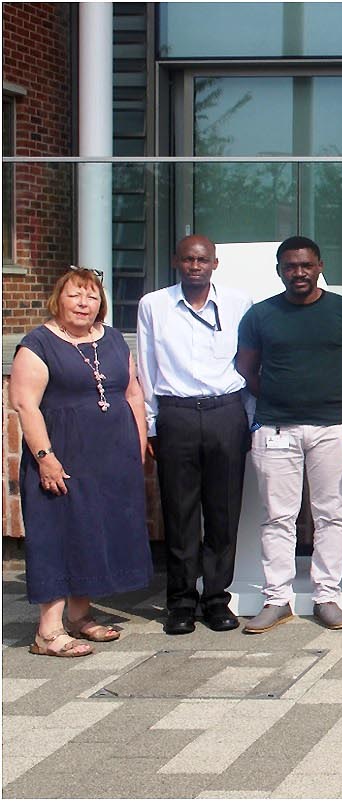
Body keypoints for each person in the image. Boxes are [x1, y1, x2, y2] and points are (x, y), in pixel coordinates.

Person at [10, 267, 153, 657]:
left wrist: (137, 447)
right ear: (59, 299)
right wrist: (45, 458)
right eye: (75, 295)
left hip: (109, 458)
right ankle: (48, 631)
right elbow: (25, 404)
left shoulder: (111, 340)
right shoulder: (37, 344)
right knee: (58, 533)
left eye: (91, 296)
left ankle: (79, 616)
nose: (83, 303)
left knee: (92, 530)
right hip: (63, 457)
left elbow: (133, 394)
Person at [236, 236, 342, 633]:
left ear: (319, 266)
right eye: (291, 266)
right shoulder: (260, 315)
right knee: (278, 518)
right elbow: (246, 368)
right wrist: (278, 395)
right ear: (279, 270)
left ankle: (326, 595)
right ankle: (276, 599)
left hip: (332, 427)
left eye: (306, 265)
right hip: (276, 427)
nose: (299, 273)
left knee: (331, 515)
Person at [136, 235, 252, 636]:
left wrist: (245, 417)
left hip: (225, 411)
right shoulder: (154, 305)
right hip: (177, 414)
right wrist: (152, 423)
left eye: (202, 259)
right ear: (176, 262)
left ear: (215, 264)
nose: (195, 266)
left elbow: (248, 362)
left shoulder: (239, 304)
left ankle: (217, 599)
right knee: (180, 513)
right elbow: (146, 367)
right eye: (187, 259)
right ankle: (181, 602)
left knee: (223, 512)